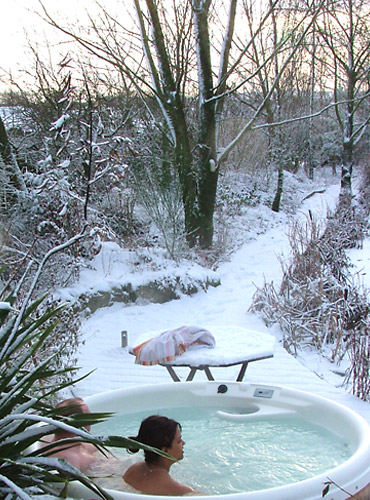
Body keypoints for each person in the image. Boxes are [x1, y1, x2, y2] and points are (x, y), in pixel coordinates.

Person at [123, 415, 199, 496]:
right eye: (179, 441)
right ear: (165, 450)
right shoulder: (177, 490)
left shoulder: (133, 470)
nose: (184, 443)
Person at [48, 397, 98, 472]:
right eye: (88, 415)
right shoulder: (68, 458)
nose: (92, 419)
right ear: (76, 421)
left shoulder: (83, 443)